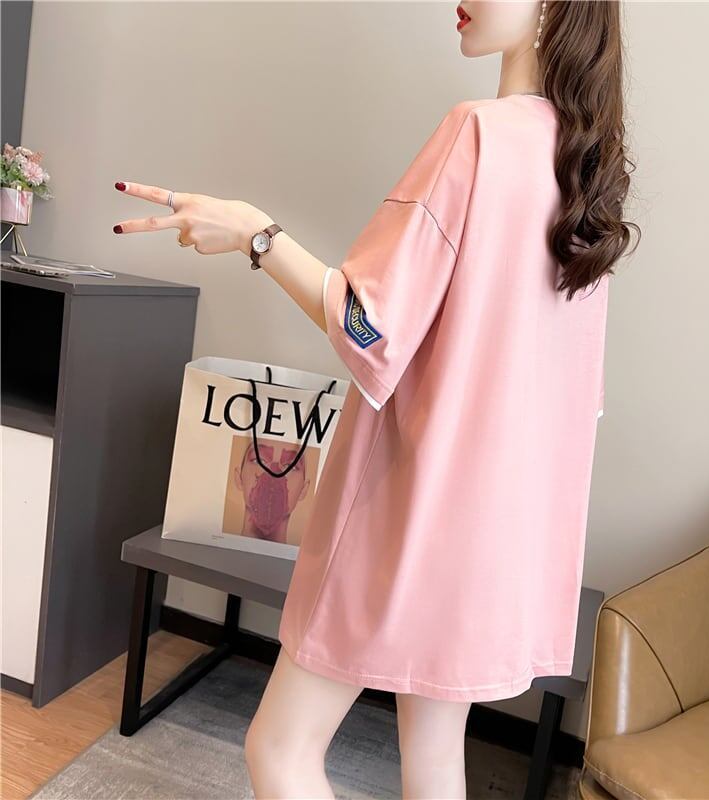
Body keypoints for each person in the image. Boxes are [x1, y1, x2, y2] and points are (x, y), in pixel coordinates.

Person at [112, 1, 639, 796]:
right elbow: (571, 396)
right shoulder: (584, 169)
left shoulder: (479, 134)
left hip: (410, 513)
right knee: (435, 756)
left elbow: (369, 327)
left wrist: (255, 234)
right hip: (498, 536)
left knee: (281, 749)